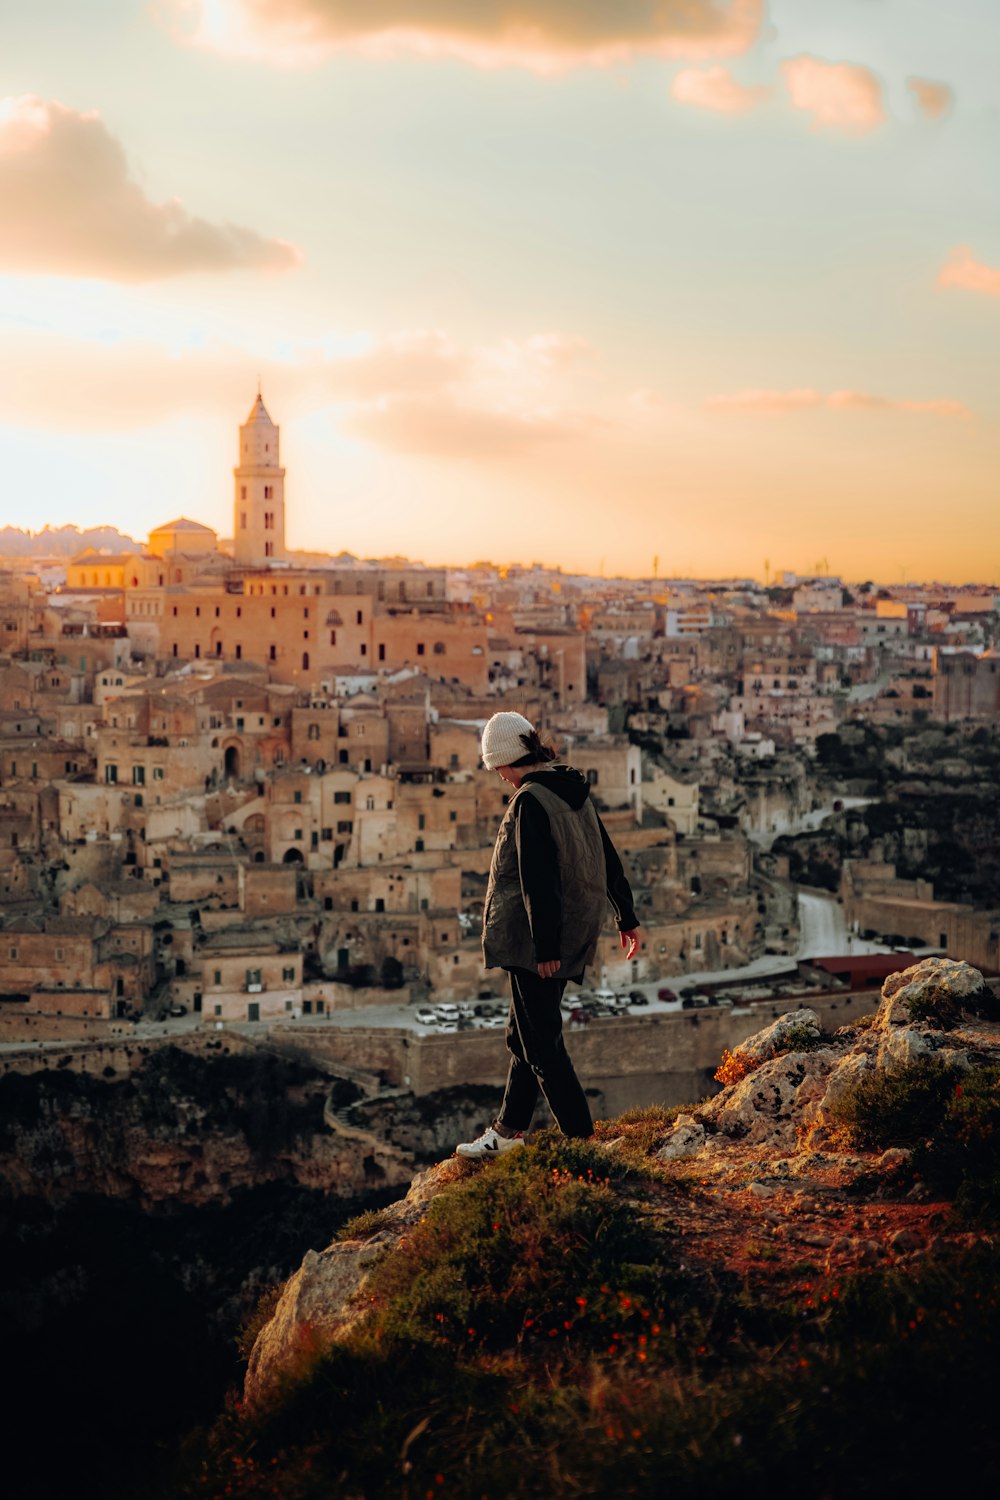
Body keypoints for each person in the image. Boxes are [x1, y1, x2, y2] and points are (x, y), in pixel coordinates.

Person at [456, 712, 640, 1159]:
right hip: (574, 930)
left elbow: (537, 879)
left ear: (505, 760)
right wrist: (626, 915)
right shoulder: (570, 789)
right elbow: (605, 854)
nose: (498, 776)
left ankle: (583, 1143)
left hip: (537, 943)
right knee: (523, 1034)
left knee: (541, 1044)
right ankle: (508, 1130)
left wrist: (544, 948)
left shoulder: (530, 802)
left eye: (495, 766)